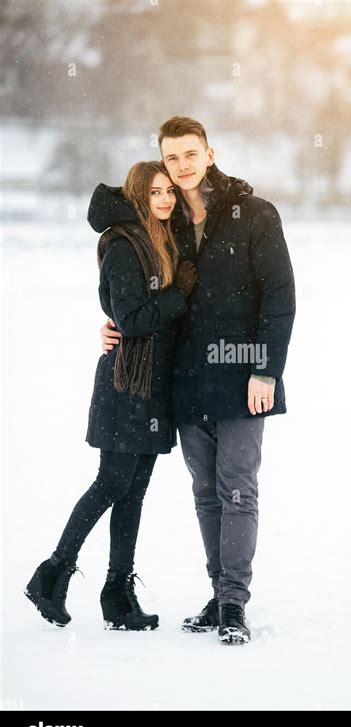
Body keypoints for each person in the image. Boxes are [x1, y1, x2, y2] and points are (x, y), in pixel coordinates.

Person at [101, 117, 296, 645]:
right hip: (187, 378)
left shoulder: (253, 214)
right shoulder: (166, 224)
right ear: (162, 162)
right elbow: (135, 283)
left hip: (242, 375)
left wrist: (265, 370)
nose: (181, 166)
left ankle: (234, 601)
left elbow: (279, 298)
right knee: (206, 492)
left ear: (210, 154)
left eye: (190, 154)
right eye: (171, 158)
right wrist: (115, 324)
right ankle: (217, 594)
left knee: (238, 488)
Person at [24, 160, 197, 631]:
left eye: (169, 192)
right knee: (112, 482)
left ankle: (117, 593)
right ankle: (52, 573)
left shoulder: (163, 239)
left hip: (153, 385)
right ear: (137, 196)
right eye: (155, 192)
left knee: (134, 491)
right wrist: (179, 294)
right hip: (126, 385)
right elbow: (135, 319)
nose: (164, 199)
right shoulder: (124, 246)